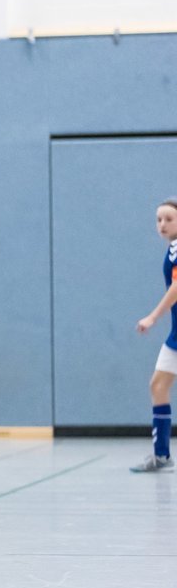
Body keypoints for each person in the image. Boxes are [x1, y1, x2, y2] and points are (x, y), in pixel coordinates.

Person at [132, 197, 177, 473]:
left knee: (158, 385)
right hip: (176, 335)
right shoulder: (172, 249)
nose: (162, 224)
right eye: (159, 219)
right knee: (158, 385)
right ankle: (161, 456)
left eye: (169, 219)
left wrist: (152, 316)